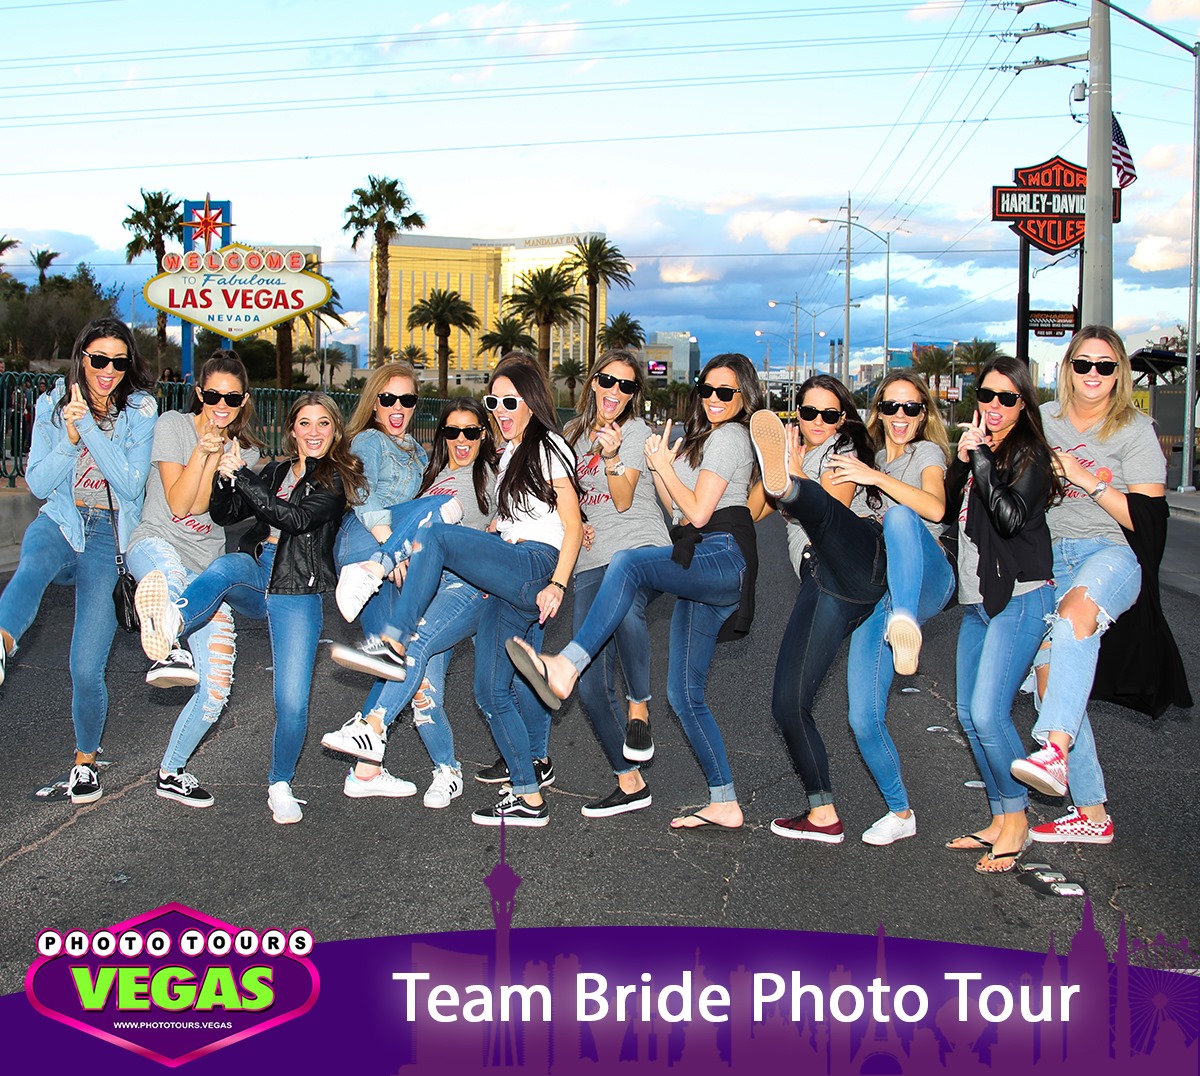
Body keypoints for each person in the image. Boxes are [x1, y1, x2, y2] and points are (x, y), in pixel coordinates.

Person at [508, 353, 764, 832]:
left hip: (710, 550)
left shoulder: (727, 435)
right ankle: (720, 799)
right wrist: (655, 473)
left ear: (745, 396)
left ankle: (595, 680)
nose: (713, 399)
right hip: (689, 556)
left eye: (725, 392)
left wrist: (644, 463)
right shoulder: (583, 436)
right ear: (593, 381)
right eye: (706, 390)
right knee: (682, 695)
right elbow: (680, 513)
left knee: (628, 568)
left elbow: (694, 512)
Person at [344, 354, 583, 828]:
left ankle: (394, 639)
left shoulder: (547, 443)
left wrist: (558, 583)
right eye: (494, 402)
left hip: (535, 565)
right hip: (508, 578)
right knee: (490, 692)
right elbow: (512, 517)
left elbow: (572, 525)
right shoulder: (510, 454)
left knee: (439, 535)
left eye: (510, 401)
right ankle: (528, 795)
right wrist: (494, 538)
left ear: (532, 401)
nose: (500, 411)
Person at [135, 393, 363, 824]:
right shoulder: (276, 471)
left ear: (335, 430)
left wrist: (242, 475)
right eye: (305, 423)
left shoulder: (337, 476)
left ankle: (280, 784)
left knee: (292, 703)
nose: (314, 432)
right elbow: (227, 514)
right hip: (259, 572)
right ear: (292, 430)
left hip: (297, 589)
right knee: (225, 567)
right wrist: (225, 477)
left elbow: (295, 519)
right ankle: (170, 624)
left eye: (324, 423)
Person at [1010, 326, 1168, 845]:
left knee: (1075, 617)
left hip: (1110, 552)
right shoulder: (1043, 418)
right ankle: (1093, 814)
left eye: (1105, 365)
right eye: (1083, 364)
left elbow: (1145, 520)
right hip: (1049, 555)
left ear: (1119, 373)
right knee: (1053, 683)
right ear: (1068, 368)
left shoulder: (1135, 429)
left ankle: (1053, 751)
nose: (1093, 374)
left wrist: (1086, 478)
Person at [0, 317, 157, 803]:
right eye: (99, 359)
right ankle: (1, 644)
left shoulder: (140, 409)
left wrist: (86, 427)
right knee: (33, 562)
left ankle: (85, 760)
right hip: (64, 520)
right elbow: (39, 483)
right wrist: (68, 439)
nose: (108, 371)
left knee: (86, 667)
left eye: (119, 362)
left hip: (107, 536)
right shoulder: (52, 403)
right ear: (81, 358)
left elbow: (130, 485)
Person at [324, 396, 498, 808]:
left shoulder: (489, 476)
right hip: (425, 590)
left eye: (471, 432)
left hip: (464, 588)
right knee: (423, 692)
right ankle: (447, 771)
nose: (461, 440)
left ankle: (374, 725)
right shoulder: (431, 476)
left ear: (483, 435)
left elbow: (516, 514)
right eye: (452, 431)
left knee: (412, 647)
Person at [747, 377, 888, 844]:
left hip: (851, 558)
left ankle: (791, 488)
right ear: (798, 415)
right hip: (826, 585)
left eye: (830, 415)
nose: (819, 423)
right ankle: (822, 812)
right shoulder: (796, 454)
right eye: (809, 413)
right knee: (788, 703)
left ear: (843, 419)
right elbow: (751, 512)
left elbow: (830, 512)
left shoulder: (843, 453)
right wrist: (769, 467)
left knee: (816, 508)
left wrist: (792, 475)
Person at [126, 349, 264, 807]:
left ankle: (172, 771)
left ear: (244, 401)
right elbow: (180, 504)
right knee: (167, 574)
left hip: (205, 573)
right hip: (156, 546)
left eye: (232, 398)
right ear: (199, 393)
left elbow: (211, 508)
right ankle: (168, 644)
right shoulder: (173, 425)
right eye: (213, 395)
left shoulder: (246, 452)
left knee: (216, 687)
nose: (221, 405)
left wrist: (231, 468)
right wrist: (203, 452)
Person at [943, 355, 1061, 873]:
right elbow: (949, 511)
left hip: (1021, 597)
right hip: (979, 602)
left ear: (1023, 402)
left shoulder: (1031, 452)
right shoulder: (982, 449)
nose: (993, 405)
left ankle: (1017, 820)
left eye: (1006, 397)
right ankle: (998, 815)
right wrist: (962, 462)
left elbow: (1010, 519)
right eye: (986, 395)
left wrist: (984, 461)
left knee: (990, 713)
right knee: (970, 715)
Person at [834, 372, 955, 845]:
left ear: (923, 415)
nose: (900, 416)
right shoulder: (866, 459)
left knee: (901, 516)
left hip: (926, 577)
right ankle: (900, 812)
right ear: (878, 412)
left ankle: (905, 621)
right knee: (862, 717)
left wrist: (875, 478)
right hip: (880, 593)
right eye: (890, 407)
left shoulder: (926, 454)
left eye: (911, 408)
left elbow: (936, 508)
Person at [563, 350, 670, 817]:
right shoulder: (571, 434)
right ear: (593, 381)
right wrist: (577, 520)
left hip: (640, 546)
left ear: (633, 394)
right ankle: (630, 781)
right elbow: (560, 495)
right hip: (591, 560)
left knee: (625, 588)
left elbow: (624, 499)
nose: (614, 391)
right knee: (588, 686)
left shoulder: (637, 432)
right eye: (608, 380)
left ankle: (639, 704)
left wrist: (610, 455)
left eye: (626, 385)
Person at [331, 362, 430, 635]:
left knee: (387, 644)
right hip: (365, 535)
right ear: (374, 403)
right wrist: (392, 546)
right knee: (440, 507)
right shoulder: (371, 439)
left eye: (406, 400)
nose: (398, 407)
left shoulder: (417, 452)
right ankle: (361, 570)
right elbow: (361, 492)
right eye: (388, 399)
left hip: (386, 550)